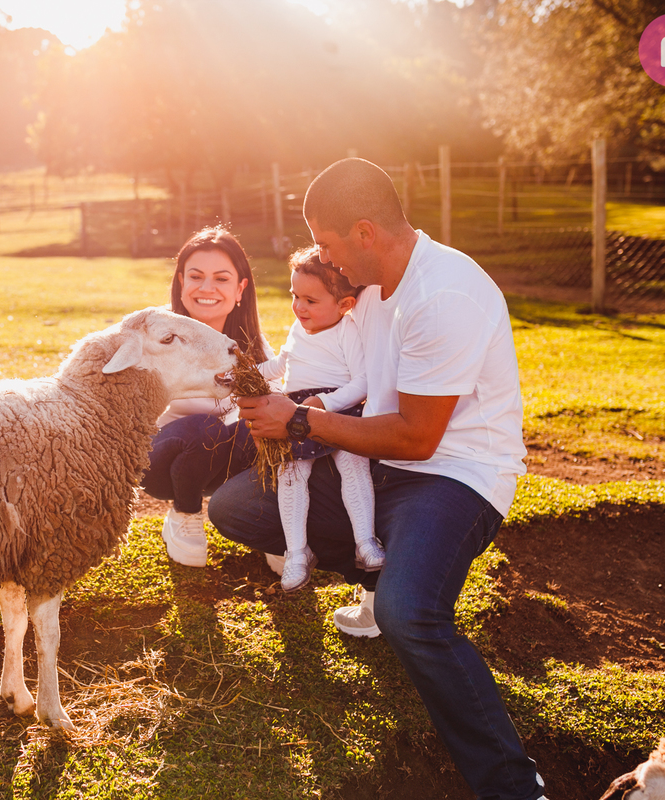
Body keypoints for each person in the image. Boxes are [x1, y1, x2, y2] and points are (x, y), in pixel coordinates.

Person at [208, 159, 545, 800]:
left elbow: (418, 437)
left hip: (455, 476)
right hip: (380, 465)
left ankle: (515, 788)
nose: (324, 260)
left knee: (409, 613)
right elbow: (321, 353)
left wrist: (300, 421)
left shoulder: (443, 295)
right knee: (237, 507)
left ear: (365, 232)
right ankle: (379, 569)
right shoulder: (366, 288)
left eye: (328, 244)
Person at [141, 226, 271, 568]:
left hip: (222, 465)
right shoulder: (156, 335)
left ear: (240, 288)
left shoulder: (252, 343)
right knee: (205, 427)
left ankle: (267, 523)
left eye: (221, 278)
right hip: (160, 462)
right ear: (180, 282)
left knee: (264, 420)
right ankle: (184, 514)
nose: (207, 288)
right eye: (196, 276)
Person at [256, 247, 382, 593]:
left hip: (338, 407)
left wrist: (324, 403)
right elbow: (280, 364)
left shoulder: (347, 331)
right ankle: (297, 552)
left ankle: (365, 541)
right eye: (294, 296)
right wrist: (247, 373)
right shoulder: (298, 329)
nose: (299, 307)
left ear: (344, 305)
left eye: (310, 300)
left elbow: (362, 382)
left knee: (353, 465)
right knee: (291, 474)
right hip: (295, 409)